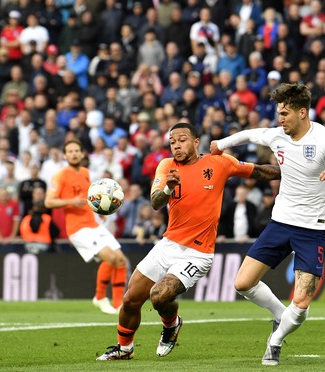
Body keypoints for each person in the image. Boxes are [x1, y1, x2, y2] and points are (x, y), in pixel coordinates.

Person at [96, 122, 281, 361]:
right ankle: (124, 349)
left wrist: (295, 170)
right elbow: (155, 202)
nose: (176, 145)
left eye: (182, 139)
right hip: (168, 245)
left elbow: (259, 171)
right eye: (172, 142)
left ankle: (171, 325)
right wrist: (168, 189)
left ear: (196, 142)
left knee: (159, 295)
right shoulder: (166, 166)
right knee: (131, 299)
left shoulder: (219, 162)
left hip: (197, 252)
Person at [210, 83, 325, 366]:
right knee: (243, 283)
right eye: (278, 113)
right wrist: (221, 145)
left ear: (302, 112)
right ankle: (278, 315)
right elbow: (251, 135)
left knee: (300, 302)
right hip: (281, 222)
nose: (280, 119)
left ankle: (275, 341)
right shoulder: (277, 135)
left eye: (285, 113)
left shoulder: (323, 137)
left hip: (313, 227)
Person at [45, 140, 127, 315]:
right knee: (110, 258)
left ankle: (119, 304)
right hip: (78, 229)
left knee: (120, 259)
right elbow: (48, 201)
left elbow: (90, 196)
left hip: (93, 224)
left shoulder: (85, 172)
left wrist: (100, 209)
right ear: (65, 155)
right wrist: (70, 201)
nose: (74, 154)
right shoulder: (60, 176)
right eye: (70, 151)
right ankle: (99, 297)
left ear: (82, 154)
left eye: (76, 151)